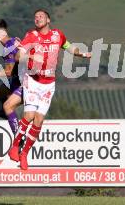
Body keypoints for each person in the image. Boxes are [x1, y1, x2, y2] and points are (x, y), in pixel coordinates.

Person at [8, 9, 91, 170]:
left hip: (48, 84)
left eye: (41, 16)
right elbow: (18, 56)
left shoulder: (57, 35)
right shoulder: (31, 36)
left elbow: (68, 47)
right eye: (35, 17)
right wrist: (31, 57)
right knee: (29, 115)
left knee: (39, 120)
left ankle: (24, 154)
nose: (37, 18)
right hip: (32, 80)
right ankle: (15, 146)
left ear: (48, 20)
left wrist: (82, 54)